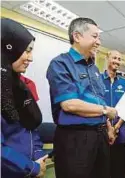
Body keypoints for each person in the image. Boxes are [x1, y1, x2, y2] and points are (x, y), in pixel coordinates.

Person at [46, 17, 117, 178]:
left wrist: (108, 127)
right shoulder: (60, 64)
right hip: (75, 139)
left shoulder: (94, 68)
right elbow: (69, 104)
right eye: (95, 36)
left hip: (100, 135)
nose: (98, 42)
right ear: (77, 36)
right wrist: (105, 111)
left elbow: (99, 100)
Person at [1, 18, 47, 178]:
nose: (31, 58)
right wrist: (32, 168)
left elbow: (29, 127)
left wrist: (38, 154)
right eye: (26, 50)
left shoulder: (20, 87)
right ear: (9, 49)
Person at [101, 50, 125, 178]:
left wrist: (116, 127)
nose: (117, 61)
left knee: (119, 169)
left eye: (119, 59)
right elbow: (97, 104)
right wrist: (108, 128)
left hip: (120, 132)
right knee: (103, 169)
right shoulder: (98, 80)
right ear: (107, 58)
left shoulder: (124, 83)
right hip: (102, 131)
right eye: (114, 58)